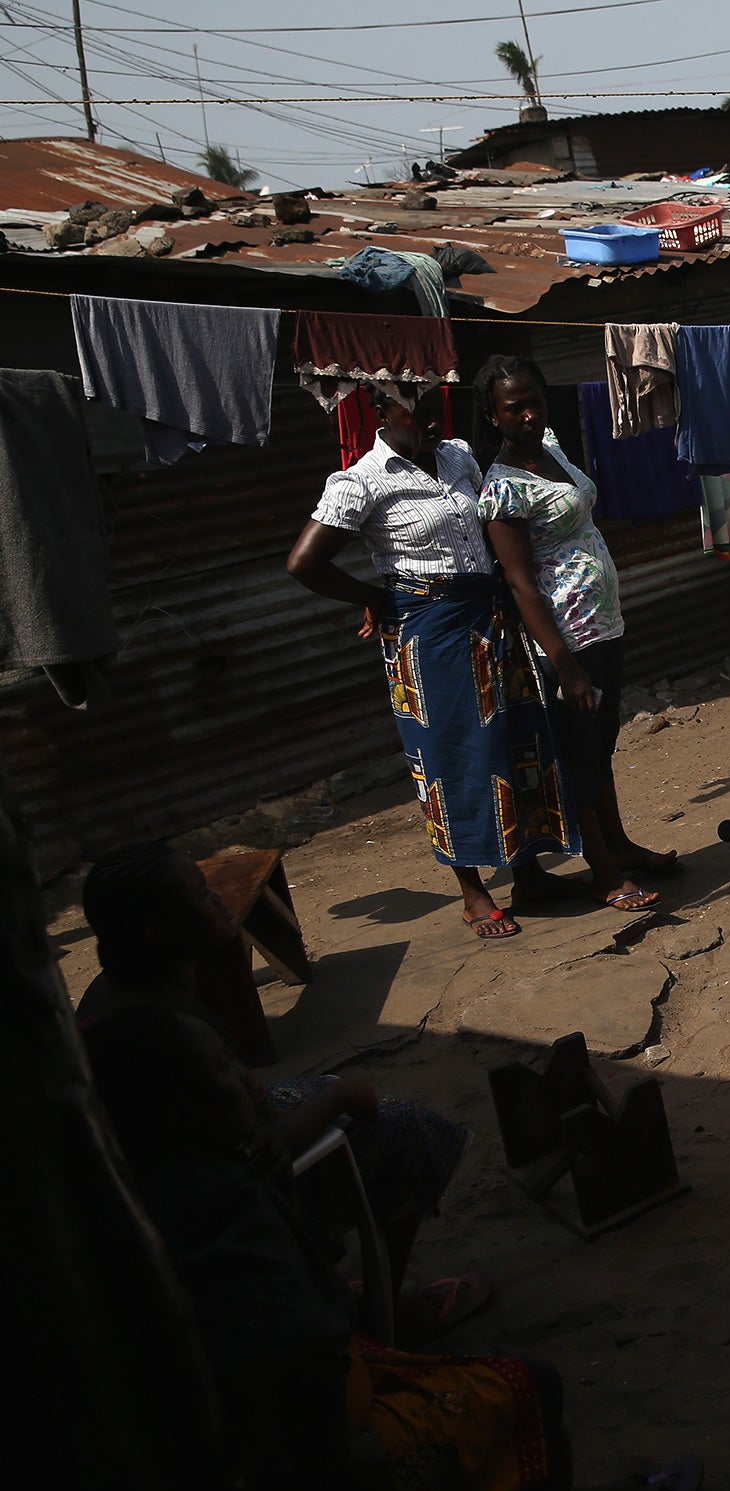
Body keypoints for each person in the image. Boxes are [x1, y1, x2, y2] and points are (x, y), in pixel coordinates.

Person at [83, 1001, 702, 1491]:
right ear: (176, 1110)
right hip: (315, 1469)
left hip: (256, 1432)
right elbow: (291, 1353)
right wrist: (343, 1455)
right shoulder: (225, 1213)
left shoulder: (144, 1187)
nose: (249, 1078)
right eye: (224, 1068)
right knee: (530, 1384)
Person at [75, 841, 479, 1331]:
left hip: (173, 1172)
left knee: (327, 1092)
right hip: (214, 1202)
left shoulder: (112, 993)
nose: (220, 902)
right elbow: (261, 1145)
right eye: (202, 896)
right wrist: (344, 1096)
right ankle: (386, 1310)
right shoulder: (173, 1033)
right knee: (405, 1131)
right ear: (158, 931)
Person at [285, 387, 580, 940]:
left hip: (490, 620)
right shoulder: (362, 480)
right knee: (449, 754)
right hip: (428, 633)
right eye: (412, 413)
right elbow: (304, 563)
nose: (427, 422)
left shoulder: (458, 455)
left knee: (513, 742)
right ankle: (472, 892)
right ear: (380, 414)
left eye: (431, 410)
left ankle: (530, 873)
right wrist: (369, 599)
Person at [474, 355, 672, 913]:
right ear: (493, 417)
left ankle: (621, 845)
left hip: (604, 624)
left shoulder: (554, 450)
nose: (530, 414)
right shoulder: (503, 489)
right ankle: (604, 873)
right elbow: (519, 584)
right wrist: (563, 663)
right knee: (579, 755)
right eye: (515, 409)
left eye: (535, 401)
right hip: (568, 639)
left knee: (601, 744)